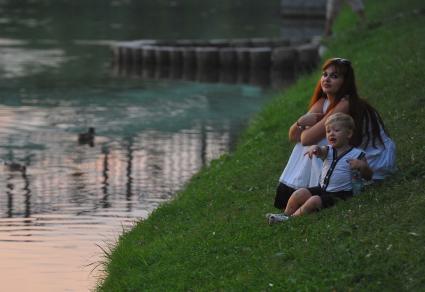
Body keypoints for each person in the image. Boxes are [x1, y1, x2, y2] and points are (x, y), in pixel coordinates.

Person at [272, 57, 396, 215]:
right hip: (347, 153)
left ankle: (320, 191)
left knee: (318, 142)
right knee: (310, 144)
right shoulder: (323, 102)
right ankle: (300, 195)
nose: (327, 79)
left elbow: (306, 138)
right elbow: (293, 136)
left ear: (345, 82)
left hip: (370, 159)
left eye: (334, 76)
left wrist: (305, 130)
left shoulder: (346, 103)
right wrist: (300, 122)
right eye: (325, 74)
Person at [267, 113, 372, 224]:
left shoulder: (357, 155)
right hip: (322, 189)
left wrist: (362, 167)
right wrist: (315, 148)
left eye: (336, 130)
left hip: (341, 194)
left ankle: (291, 219)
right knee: (300, 192)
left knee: (314, 200)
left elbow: (369, 176)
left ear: (349, 133)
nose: (331, 134)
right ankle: (285, 214)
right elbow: (321, 150)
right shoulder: (329, 150)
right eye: (328, 131)